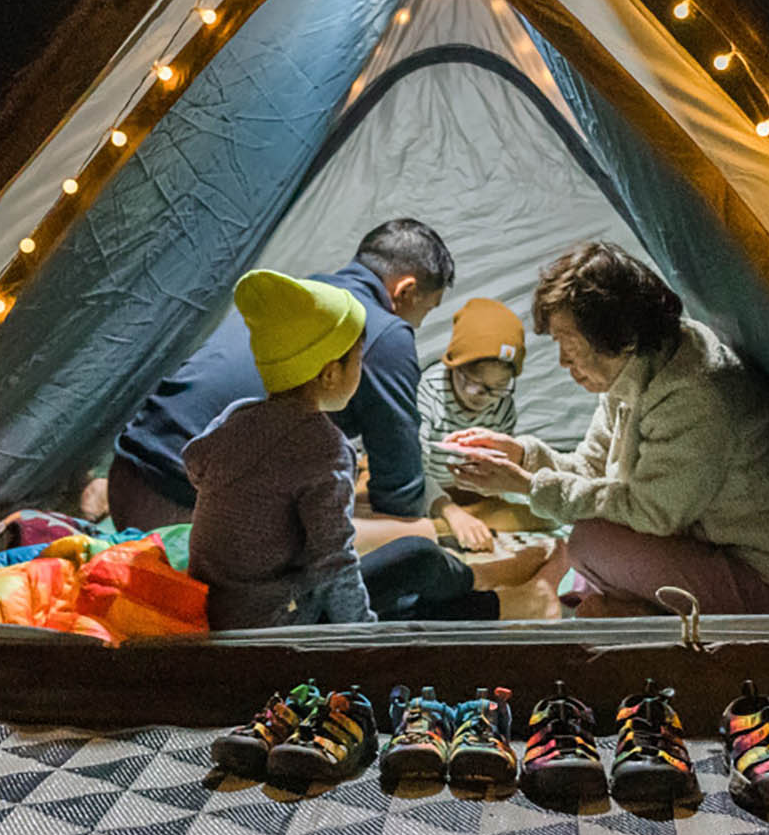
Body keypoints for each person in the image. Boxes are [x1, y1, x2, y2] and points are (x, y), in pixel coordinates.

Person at [448, 241, 769, 616]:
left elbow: (651, 512)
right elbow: (592, 468)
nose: (562, 362)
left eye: (568, 345)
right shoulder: (636, 368)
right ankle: (615, 605)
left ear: (616, 335)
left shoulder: (696, 391)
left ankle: (623, 610)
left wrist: (526, 486)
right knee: (587, 537)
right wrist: (523, 456)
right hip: (712, 541)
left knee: (589, 542)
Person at [107, 219, 453, 534]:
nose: (418, 325)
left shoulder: (294, 292)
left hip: (127, 475)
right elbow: (399, 484)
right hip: (187, 509)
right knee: (412, 532)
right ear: (405, 290)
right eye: (426, 310)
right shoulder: (382, 332)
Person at [184, 270, 375, 628]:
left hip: (214, 606)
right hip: (272, 622)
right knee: (420, 558)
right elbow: (333, 563)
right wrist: (366, 637)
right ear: (330, 373)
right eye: (360, 359)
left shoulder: (236, 416)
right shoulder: (325, 448)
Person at [417, 297, 526, 553]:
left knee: (530, 516)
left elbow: (500, 463)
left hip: (471, 490)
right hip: (426, 488)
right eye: (475, 382)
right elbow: (412, 468)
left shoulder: (502, 402)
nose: (484, 396)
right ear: (454, 366)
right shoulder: (429, 393)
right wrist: (449, 511)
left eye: (498, 387)